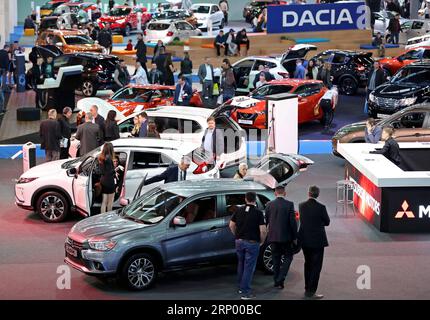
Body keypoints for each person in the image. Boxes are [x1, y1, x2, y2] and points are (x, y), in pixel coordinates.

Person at [229, 191, 267, 300]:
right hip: (252, 243)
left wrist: (236, 234)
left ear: (245, 199)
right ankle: (245, 292)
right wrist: (262, 241)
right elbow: (263, 230)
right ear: (255, 200)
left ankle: (241, 287)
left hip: (239, 242)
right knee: (249, 267)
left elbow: (231, 225)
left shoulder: (238, 210)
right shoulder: (258, 213)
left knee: (241, 264)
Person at [298, 185, 330, 300]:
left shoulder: (301, 206)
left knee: (308, 264)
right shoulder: (321, 207)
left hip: (305, 240)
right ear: (318, 194)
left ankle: (307, 289)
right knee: (316, 267)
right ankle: (311, 292)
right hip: (318, 241)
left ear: (309, 193)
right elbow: (327, 222)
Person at [265, 185, 298, 289]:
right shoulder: (289, 204)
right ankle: (281, 278)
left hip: (273, 237)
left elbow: (267, 220)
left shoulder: (269, 205)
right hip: (286, 237)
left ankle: (277, 281)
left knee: (276, 259)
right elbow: (292, 223)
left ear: (275, 193)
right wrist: (295, 236)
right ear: (284, 193)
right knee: (288, 257)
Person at [99, 142, 116, 213]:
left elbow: (102, 171)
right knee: (110, 203)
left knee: (104, 202)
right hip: (109, 182)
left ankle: (102, 216)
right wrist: (115, 169)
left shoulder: (101, 158)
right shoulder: (109, 159)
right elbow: (109, 172)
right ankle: (108, 218)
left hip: (103, 181)